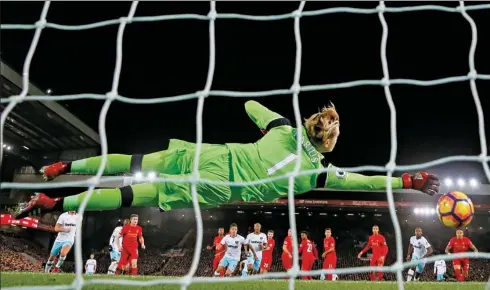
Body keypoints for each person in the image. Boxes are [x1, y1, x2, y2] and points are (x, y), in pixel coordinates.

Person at [15, 101, 440, 218]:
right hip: (220, 186)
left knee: (137, 158)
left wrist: (273, 123)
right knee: (136, 196)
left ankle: (66, 169)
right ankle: (60, 205)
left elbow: (250, 105)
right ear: (328, 142)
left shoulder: (282, 129)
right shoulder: (318, 175)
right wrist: (409, 182)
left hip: (218, 155)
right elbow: (368, 183)